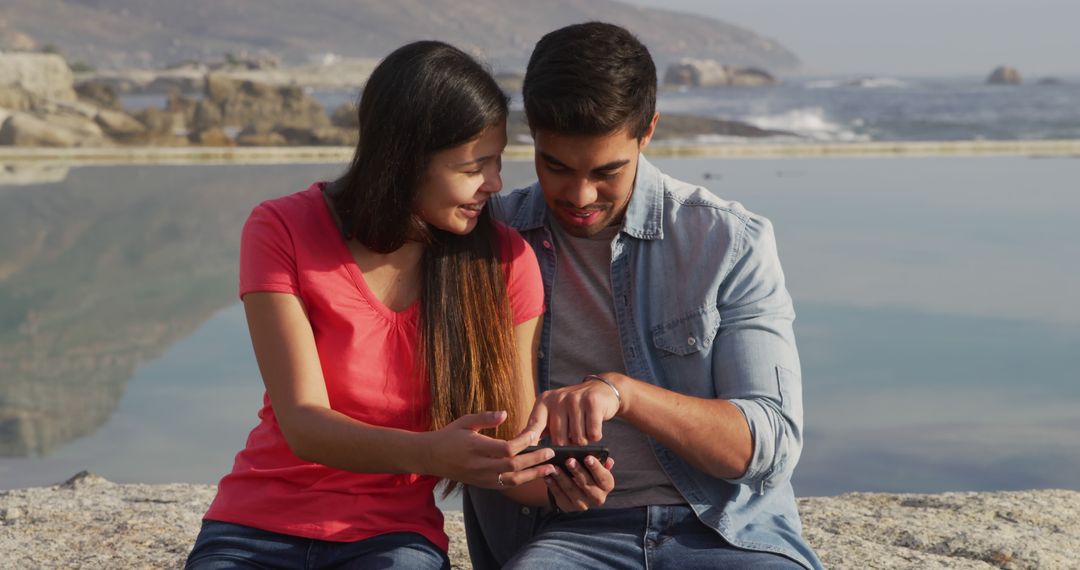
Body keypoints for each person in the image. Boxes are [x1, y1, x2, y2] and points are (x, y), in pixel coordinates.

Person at [185, 41, 614, 570]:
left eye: (498, 161)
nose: (495, 184)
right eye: (474, 166)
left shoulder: (505, 263)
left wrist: (557, 485)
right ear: (406, 159)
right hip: (255, 527)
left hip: (392, 539)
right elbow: (302, 425)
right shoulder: (282, 228)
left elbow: (510, 453)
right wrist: (430, 453)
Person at [464, 22, 824, 569]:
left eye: (607, 171)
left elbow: (767, 446)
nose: (580, 196)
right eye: (555, 166)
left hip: (725, 530)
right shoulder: (489, 240)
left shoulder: (728, 241)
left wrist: (623, 393)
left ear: (648, 130)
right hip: (563, 535)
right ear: (531, 133)